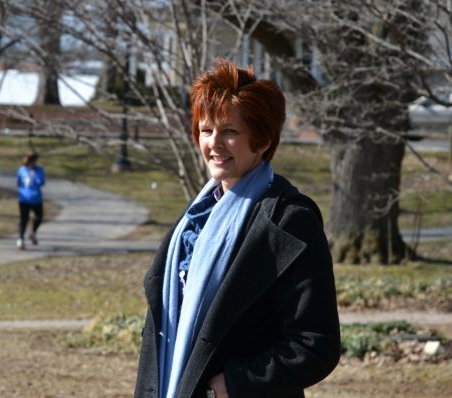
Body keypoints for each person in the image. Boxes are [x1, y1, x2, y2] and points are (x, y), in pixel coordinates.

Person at [134, 59, 341, 398]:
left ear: (261, 140)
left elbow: (315, 345)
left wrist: (233, 384)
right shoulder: (194, 218)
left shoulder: (289, 220)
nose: (214, 144)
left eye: (229, 131)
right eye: (206, 130)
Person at [16, 152, 45, 250]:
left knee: (26, 219)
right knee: (37, 217)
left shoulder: (21, 169)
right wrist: (34, 174)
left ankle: (23, 238)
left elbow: (18, 183)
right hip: (32, 198)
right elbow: (41, 182)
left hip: (26, 198)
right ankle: (27, 235)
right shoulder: (38, 170)